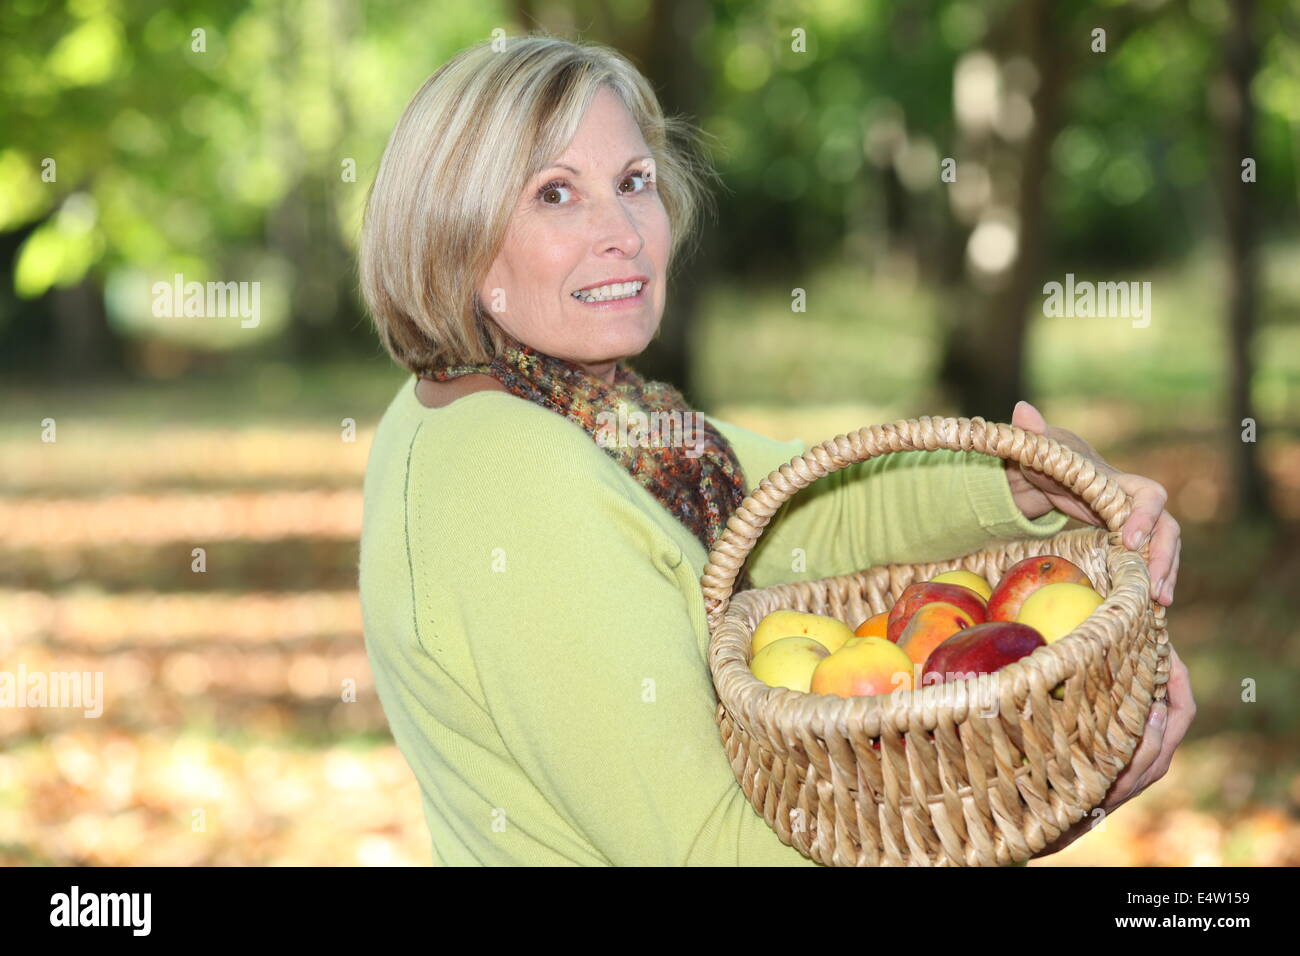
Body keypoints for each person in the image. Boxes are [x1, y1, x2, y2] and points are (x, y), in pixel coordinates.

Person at [356, 35, 1194, 866]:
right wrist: (1033, 798)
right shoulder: (519, 473)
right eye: (554, 194)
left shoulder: (534, 408)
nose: (621, 231)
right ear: (455, 237)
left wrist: (1021, 480)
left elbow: (801, 517)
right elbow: (711, 848)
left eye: (633, 182)